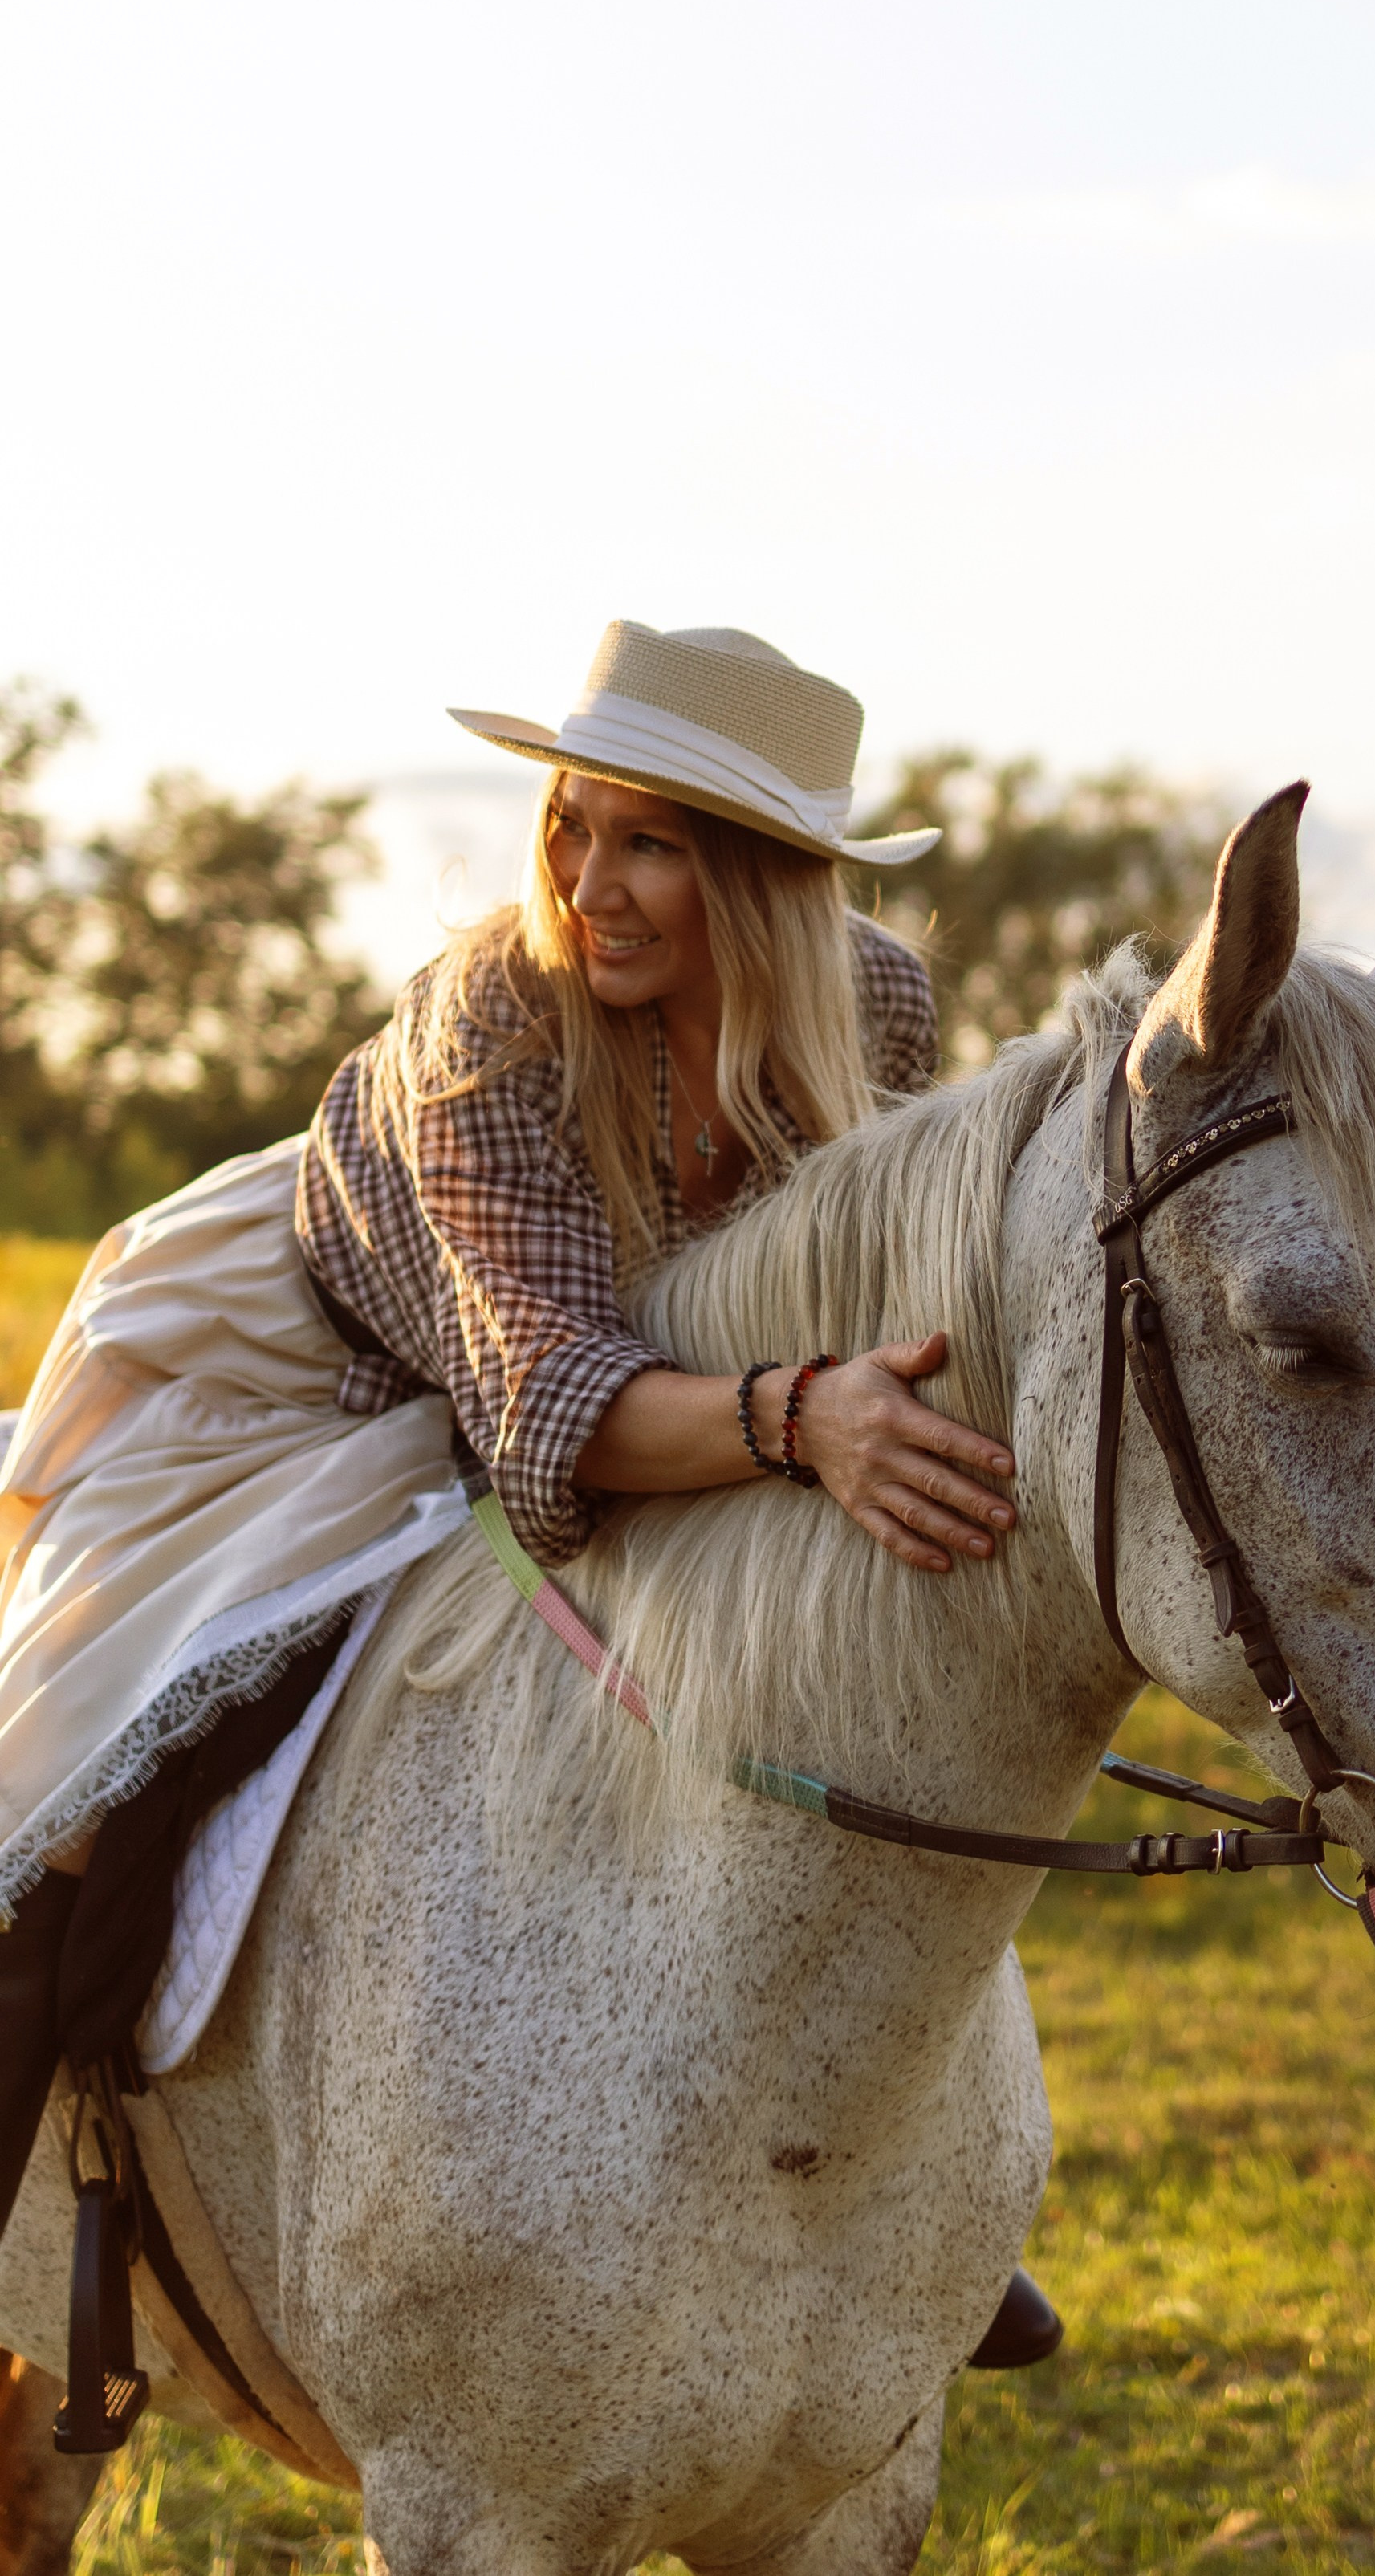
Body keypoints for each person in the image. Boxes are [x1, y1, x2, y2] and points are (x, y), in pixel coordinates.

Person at [0, 620, 1061, 2368]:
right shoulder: (493, 1009)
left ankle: (897, 2200)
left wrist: (848, 1419)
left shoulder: (877, 1002)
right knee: (90, 1753)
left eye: (649, 841)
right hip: (327, 1366)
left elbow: (852, 1286)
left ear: (764, 879)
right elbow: (538, 1398)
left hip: (680, 1386)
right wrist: (804, 1421)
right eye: (574, 825)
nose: (590, 881)